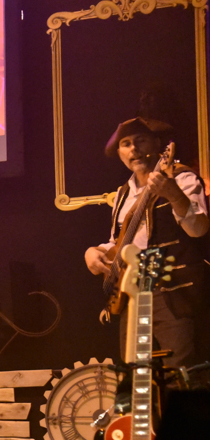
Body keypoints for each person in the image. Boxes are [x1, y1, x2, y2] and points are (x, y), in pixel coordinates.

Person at [84, 117, 209, 367]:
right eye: (126, 144)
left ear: (157, 144)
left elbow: (198, 229)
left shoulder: (182, 178)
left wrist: (173, 194)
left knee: (179, 371)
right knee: (136, 372)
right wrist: (95, 252)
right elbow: (120, 242)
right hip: (132, 295)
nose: (134, 149)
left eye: (140, 140)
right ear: (120, 153)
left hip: (172, 293)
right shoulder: (123, 194)